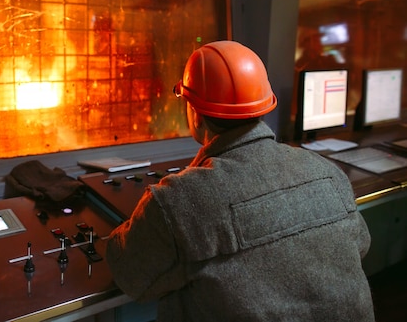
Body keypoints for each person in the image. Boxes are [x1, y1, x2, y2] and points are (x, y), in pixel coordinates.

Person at [105, 40, 374, 321]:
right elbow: (361, 245)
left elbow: (129, 272)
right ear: (264, 105)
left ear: (195, 114)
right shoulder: (328, 172)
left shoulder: (179, 201)